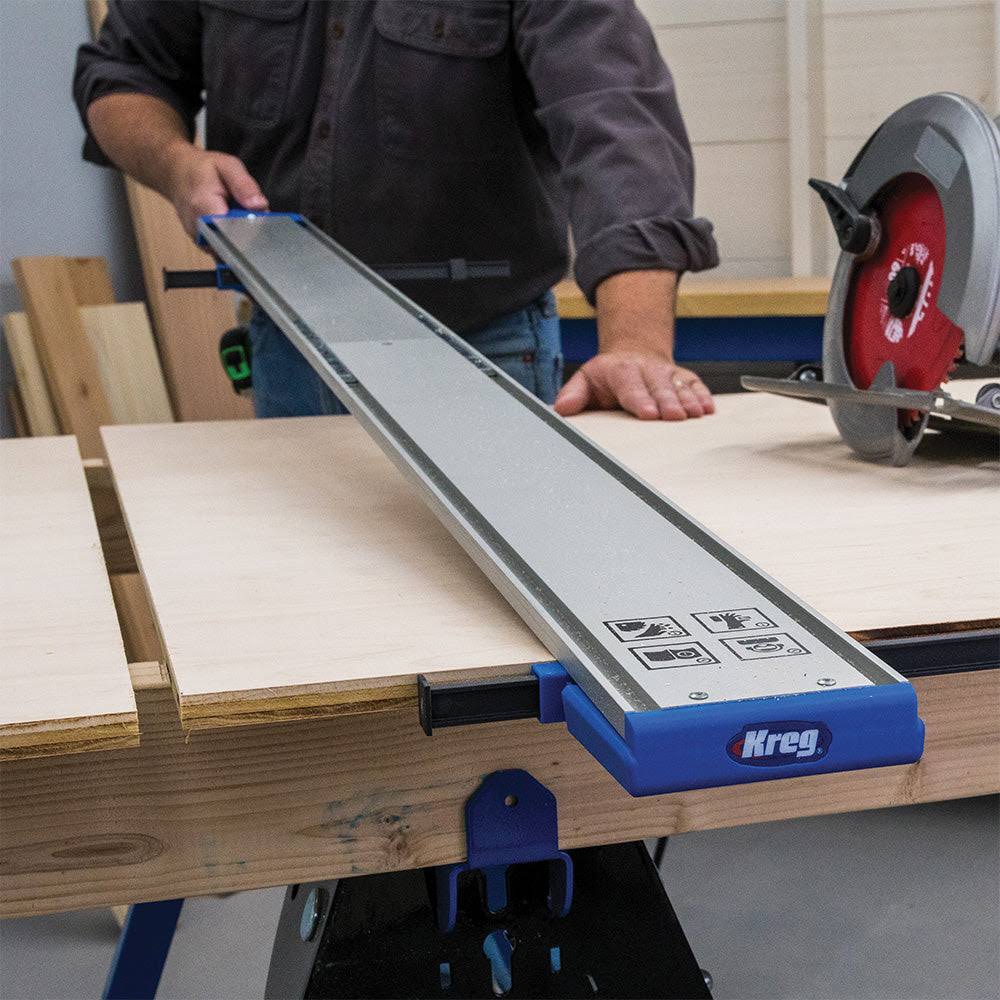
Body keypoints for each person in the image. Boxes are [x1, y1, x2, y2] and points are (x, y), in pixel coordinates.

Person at [75, 1, 719, 421]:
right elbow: (124, 75)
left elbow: (618, 126)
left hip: (477, 351)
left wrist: (635, 345)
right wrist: (175, 162)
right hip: (287, 346)